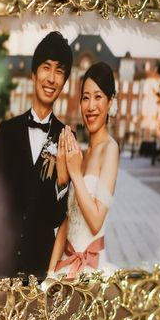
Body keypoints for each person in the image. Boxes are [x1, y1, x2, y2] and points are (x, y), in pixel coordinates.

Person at [0, 31, 73, 278]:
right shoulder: (7, 131)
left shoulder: (66, 138)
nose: (51, 78)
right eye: (46, 67)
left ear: (64, 82)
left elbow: (57, 218)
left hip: (39, 270)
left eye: (59, 71)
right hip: (1, 267)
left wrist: (62, 182)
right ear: (33, 74)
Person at [47, 61, 119, 279]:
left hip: (90, 270)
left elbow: (96, 222)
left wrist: (75, 173)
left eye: (98, 97)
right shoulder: (82, 154)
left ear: (110, 101)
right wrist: (50, 273)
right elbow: (67, 220)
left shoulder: (110, 149)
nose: (91, 106)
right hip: (66, 264)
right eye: (85, 98)